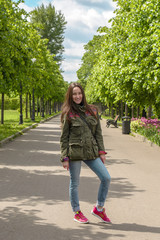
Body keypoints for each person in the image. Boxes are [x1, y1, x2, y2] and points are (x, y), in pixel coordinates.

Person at [60, 82, 111, 224]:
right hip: (74, 152)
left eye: (79, 93)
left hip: (91, 151)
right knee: (74, 183)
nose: (77, 96)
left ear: (83, 94)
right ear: (70, 96)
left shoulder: (92, 111)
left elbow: (98, 133)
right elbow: (64, 137)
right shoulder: (67, 113)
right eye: (74, 94)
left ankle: (99, 209)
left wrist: (101, 152)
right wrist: (64, 157)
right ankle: (77, 212)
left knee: (106, 178)